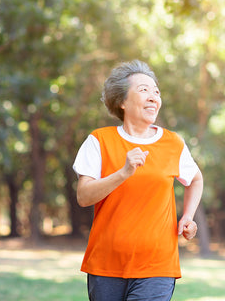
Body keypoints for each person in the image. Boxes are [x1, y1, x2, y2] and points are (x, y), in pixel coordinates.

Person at [73, 59, 203, 301]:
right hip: (106, 263)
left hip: (157, 263)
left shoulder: (173, 143)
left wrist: (187, 216)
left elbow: (195, 179)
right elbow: (83, 196)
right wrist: (123, 172)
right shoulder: (99, 141)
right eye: (143, 90)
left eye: (156, 91)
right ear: (122, 101)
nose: (153, 96)